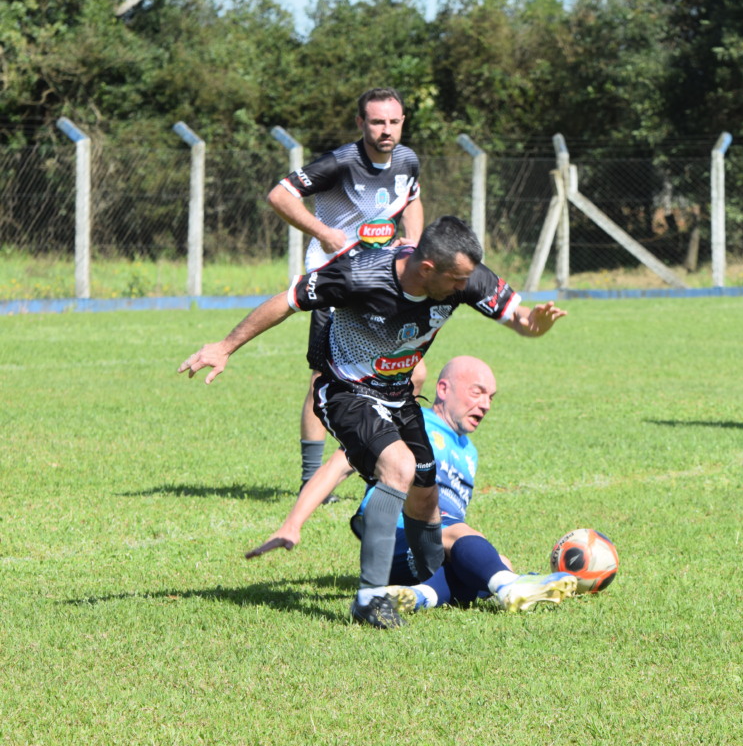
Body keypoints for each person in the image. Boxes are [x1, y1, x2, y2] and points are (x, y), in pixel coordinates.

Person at [179, 216, 568, 629]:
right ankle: (368, 598)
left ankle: (432, 579)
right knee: (397, 467)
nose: (464, 290)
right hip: (346, 391)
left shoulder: (466, 275)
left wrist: (534, 326)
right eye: (456, 281)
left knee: (425, 492)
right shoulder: (359, 275)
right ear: (427, 269)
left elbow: (521, 318)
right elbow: (286, 300)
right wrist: (224, 346)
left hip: (398, 395)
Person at [245, 356, 578, 618]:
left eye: (491, 396)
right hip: (392, 539)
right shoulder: (406, 423)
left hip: (421, 555)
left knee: (491, 561)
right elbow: (337, 466)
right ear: (444, 389)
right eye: (477, 392)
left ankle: (416, 596)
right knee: (467, 543)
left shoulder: (469, 452)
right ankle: (510, 588)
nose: (486, 404)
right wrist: (292, 524)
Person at [268, 87, 425, 504]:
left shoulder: (407, 159)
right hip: (335, 283)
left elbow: (412, 199)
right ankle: (311, 477)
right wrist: (324, 232)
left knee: (410, 372)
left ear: (403, 122)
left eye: (393, 121)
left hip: (383, 285)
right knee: (326, 379)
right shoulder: (341, 162)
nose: (385, 130)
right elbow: (279, 195)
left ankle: (376, 460)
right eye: (376, 122)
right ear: (361, 124)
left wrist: (415, 245)